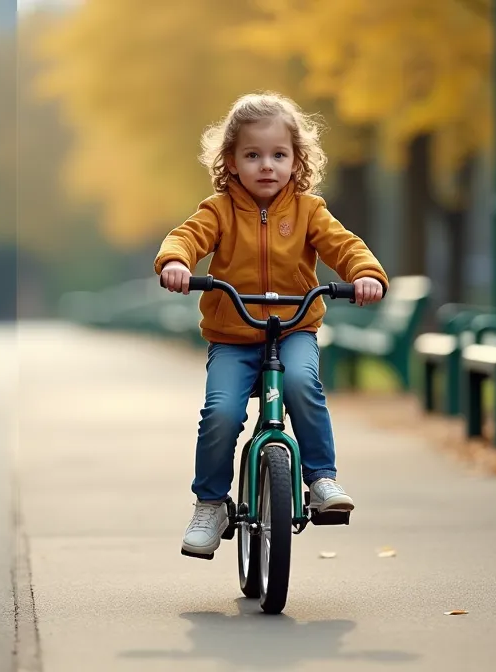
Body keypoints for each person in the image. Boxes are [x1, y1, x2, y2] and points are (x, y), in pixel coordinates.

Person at [154, 91, 388, 559]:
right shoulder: (218, 210)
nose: (267, 166)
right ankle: (210, 503)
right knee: (220, 412)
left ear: (296, 160)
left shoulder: (308, 210)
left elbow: (345, 246)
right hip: (233, 336)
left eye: (279, 155)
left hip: (294, 329)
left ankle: (321, 479)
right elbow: (186, 236)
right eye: (253, 155)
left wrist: (364, 274)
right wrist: (176, 262)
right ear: (231, 161)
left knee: (304, 384)